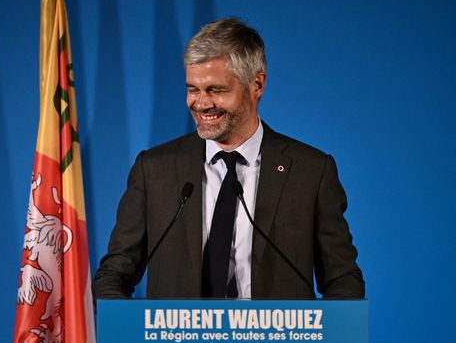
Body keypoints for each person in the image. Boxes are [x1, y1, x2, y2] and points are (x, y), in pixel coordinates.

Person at [93, 17, 365, 300]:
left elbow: (343, 278)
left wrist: (320, 339)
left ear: (256, 85)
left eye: (216, 90)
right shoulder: (154, 169)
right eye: (192, 89)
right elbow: (113, 274)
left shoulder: (311, 172)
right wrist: (129, 332)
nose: (201, 103)